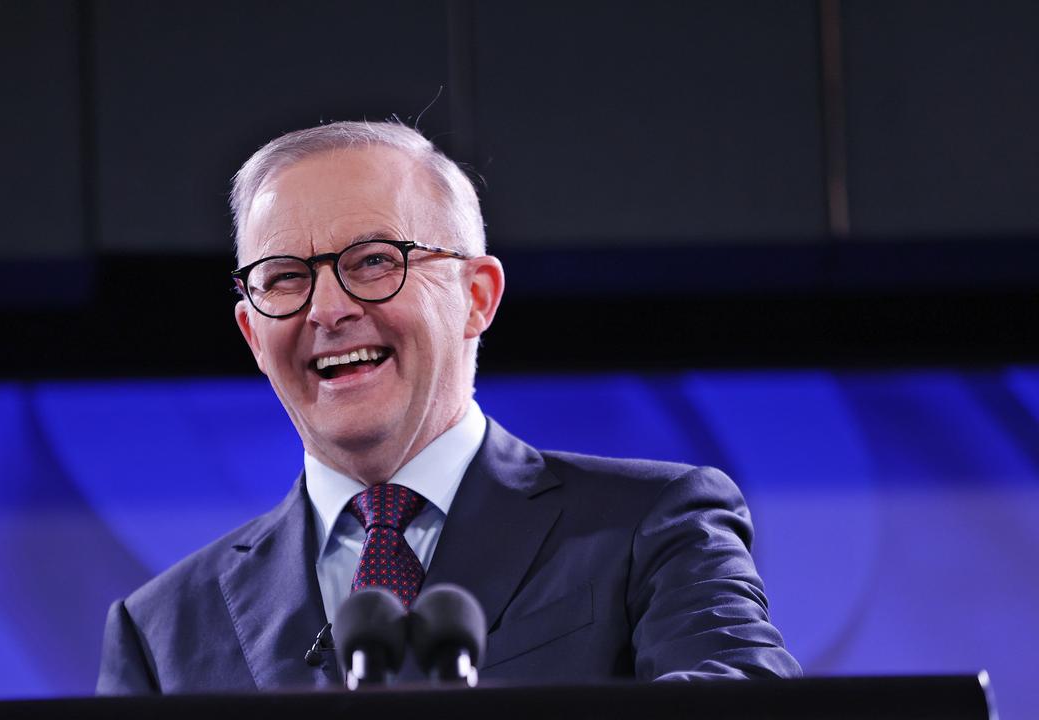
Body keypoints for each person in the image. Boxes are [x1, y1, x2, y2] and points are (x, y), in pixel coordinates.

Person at [96, 121, 800, 693]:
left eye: (374, 260)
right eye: (283, 279)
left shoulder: (654, 524)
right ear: (253, 332)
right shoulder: (160, 632)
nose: (329, 310)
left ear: (478, 297)